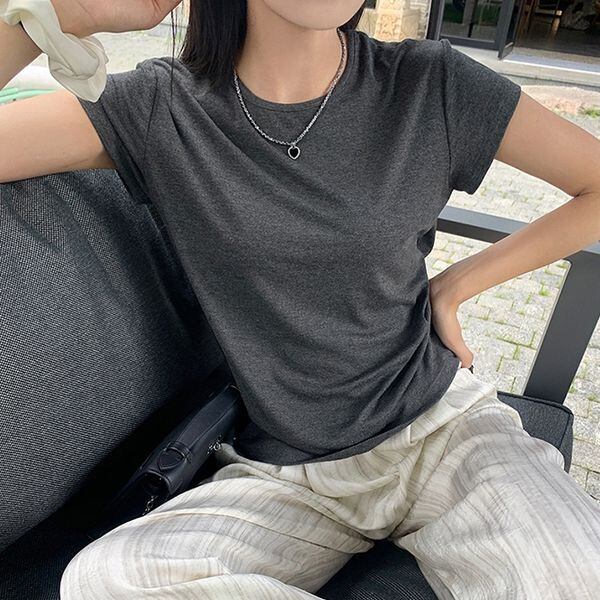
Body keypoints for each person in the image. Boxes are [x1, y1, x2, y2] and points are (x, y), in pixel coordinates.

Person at [1, 1, 600, 598]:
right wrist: (54, 14)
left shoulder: (430, 83)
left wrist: (457, 283)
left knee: (574, 577)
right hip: (290, 473)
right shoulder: (161, 107)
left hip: (443, 430)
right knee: (109, 582)